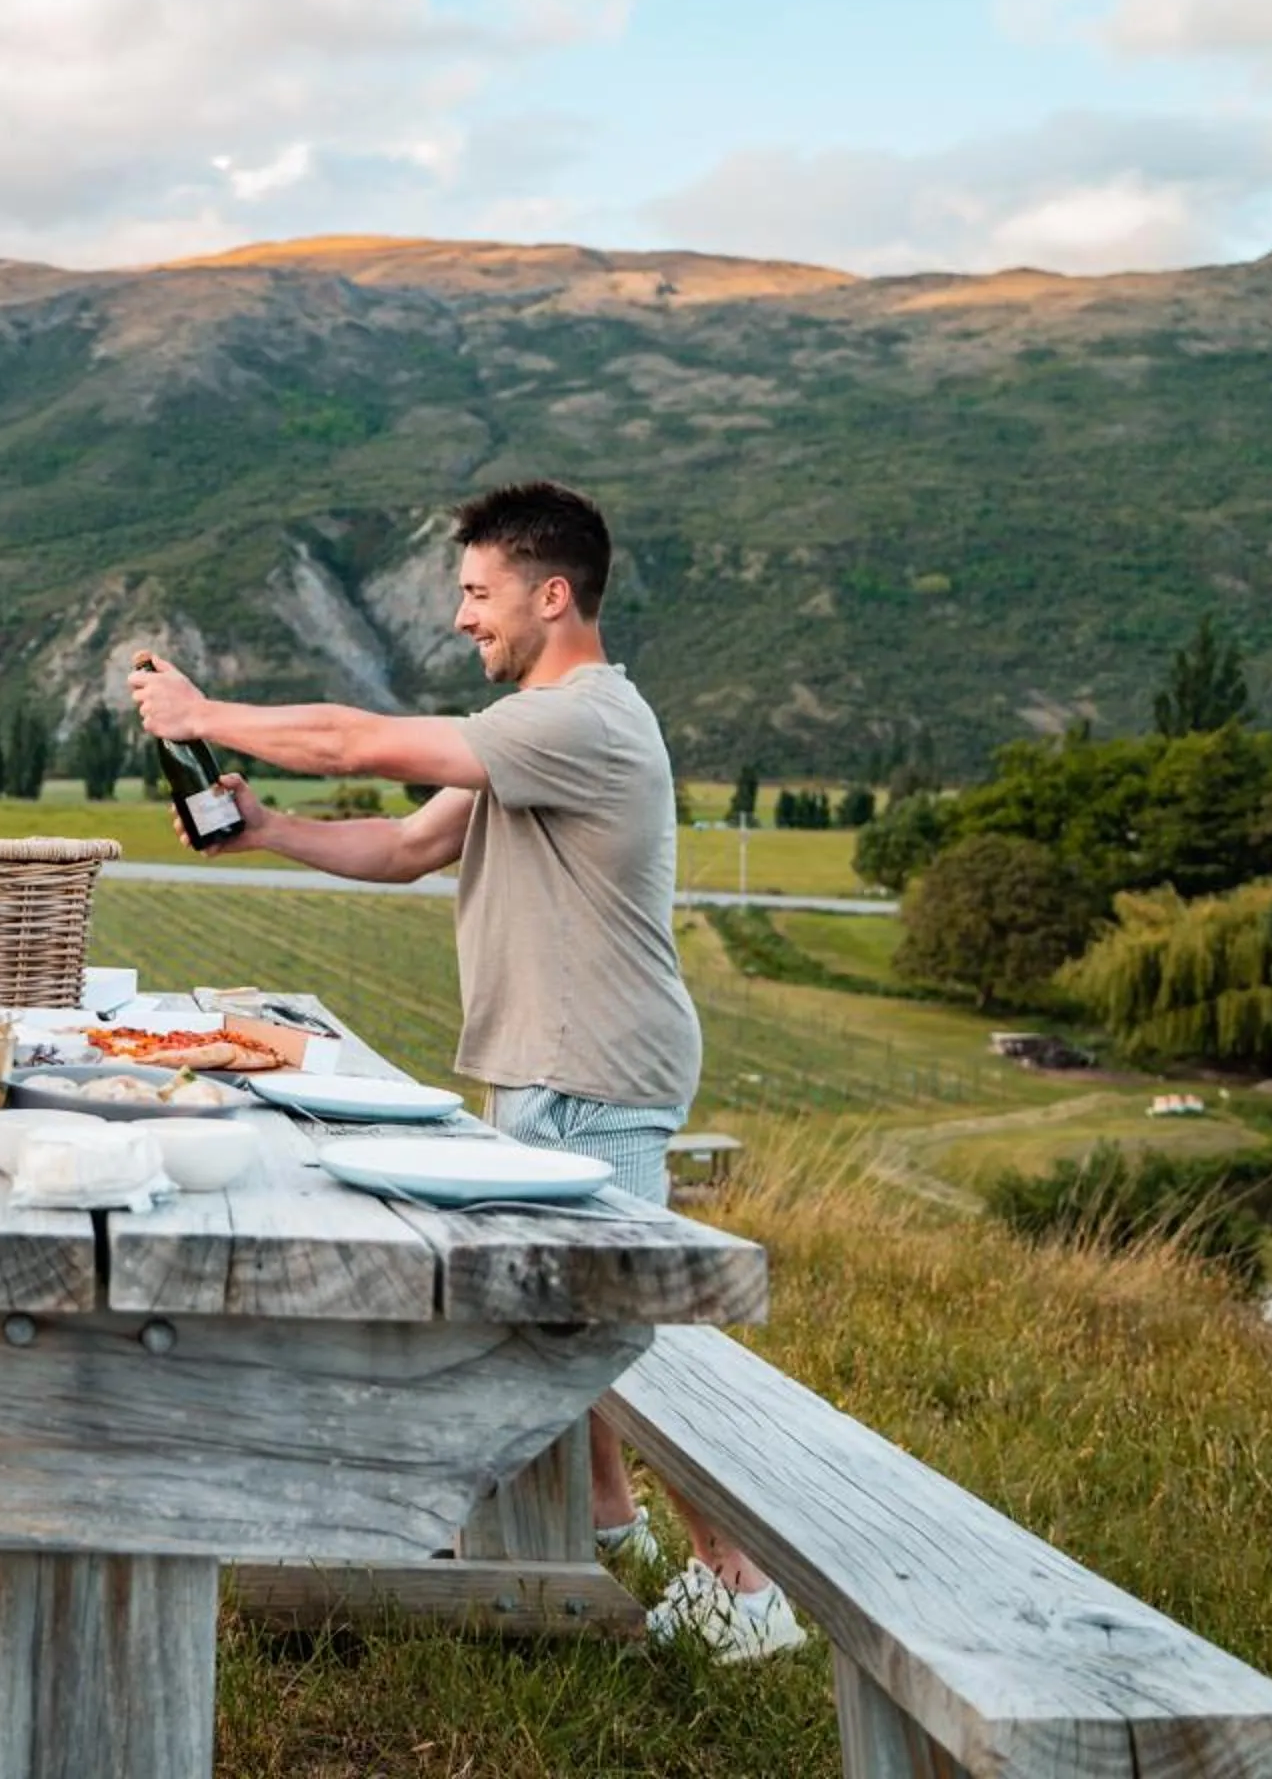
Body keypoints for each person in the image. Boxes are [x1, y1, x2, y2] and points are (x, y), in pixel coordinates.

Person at [127, 479, 806, 1662]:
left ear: (554, 594)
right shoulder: (533, 738)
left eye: (479, 594)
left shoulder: (584, 718)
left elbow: (353, 737)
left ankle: (745, 1588)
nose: (460, 619)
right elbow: (400, 844)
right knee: (564, 1316)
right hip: (545, 1065)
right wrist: (268, 824)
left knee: (619, 1328)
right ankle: (603, 1528)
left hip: (595, 1068)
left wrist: (204, 708)